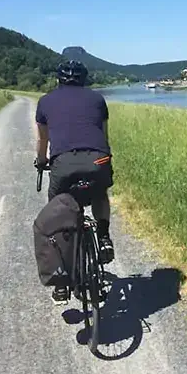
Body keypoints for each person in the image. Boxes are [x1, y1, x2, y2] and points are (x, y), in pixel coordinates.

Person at [34, 59, 115, 304]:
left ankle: (61, 281)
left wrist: (40, 161)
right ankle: (103, 236)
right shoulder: (98, 99)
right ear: (84, 79)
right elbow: (104, 136)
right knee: (100, 194)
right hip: (98, 160)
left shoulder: (45, 102)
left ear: (58, 79)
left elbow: (43, 142)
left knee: (57, 212)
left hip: (64, 163)